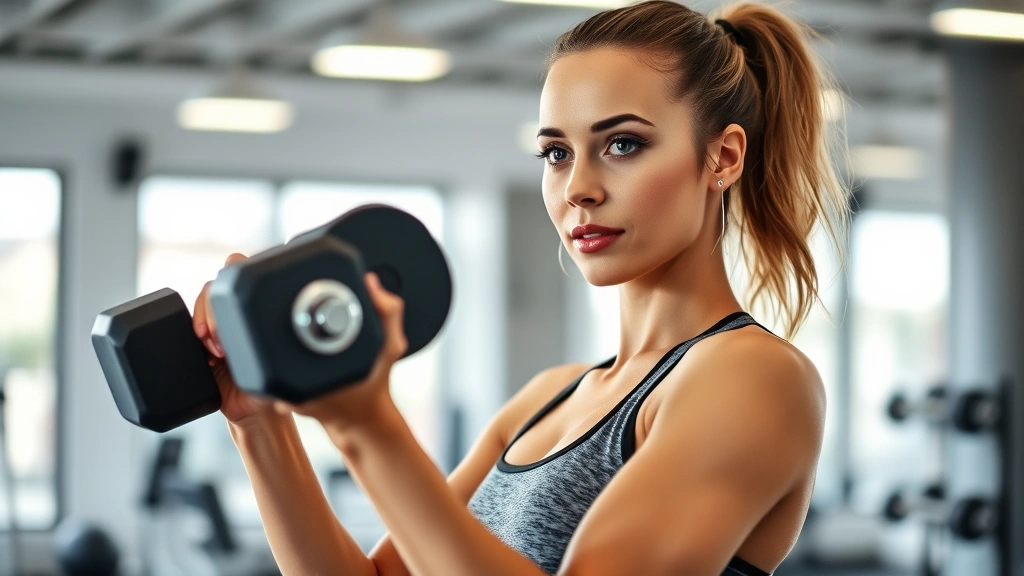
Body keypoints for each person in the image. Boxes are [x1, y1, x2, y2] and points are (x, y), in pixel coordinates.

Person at [191, 1, 851, 574]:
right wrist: (260, 424)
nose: (578, 188)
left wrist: (368, 425)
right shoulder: (548, 397)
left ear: (722, 157)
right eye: (557, 152)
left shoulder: (755, 378)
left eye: (623, 144)